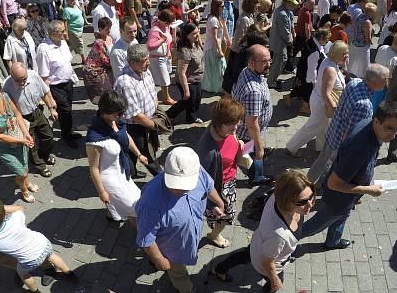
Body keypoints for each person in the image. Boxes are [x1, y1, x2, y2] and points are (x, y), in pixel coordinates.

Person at [301, 102, 397, 250]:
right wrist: (368, 190)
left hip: (348, 197)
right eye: (389, 128)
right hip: (338, 200)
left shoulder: (367, 123)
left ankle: (333, 241)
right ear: (377, 121)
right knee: (315, 226)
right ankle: (286, 244)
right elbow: (333, 184)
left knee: (343, 216)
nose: (394, 134)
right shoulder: (360, 149)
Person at [135, 147, 225, 293]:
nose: (182, 189)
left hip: (189, 240)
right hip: (170, 250)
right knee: (179, 275)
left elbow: (208, 187)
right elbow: (146, 238)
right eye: (176, 183)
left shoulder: (196, 169)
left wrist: (217, 203)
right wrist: (159, 259)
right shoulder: (149, 202)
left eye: (187, 184)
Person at [211, 170, 316, 291]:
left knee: (244, 256)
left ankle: (219, 269)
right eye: (302, 201)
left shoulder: (277, 196)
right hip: (267, 258)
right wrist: (274, 279)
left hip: (258, 242)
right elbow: (267, 261)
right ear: (287, 199)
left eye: (311, 196)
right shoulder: (280, 235)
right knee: (274, 286)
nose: (310, 205)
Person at [0, 196, 78, 291]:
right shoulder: (16, 218)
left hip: (29, 260)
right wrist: (2, 209)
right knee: (54, 257)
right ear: (3, 213)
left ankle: (34, 291)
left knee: (24, 274)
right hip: (43, 243)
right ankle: (70, 274)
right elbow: (20, 208)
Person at [307, 64, 389, 185]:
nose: (386, 82)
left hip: (333, 131)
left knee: (321, 161)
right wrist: (344, 152)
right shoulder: (364, 105)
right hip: (339, 142)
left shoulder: (355, 82)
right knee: (329, 167)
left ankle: (307, 181)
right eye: (384, 79)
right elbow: (350, 131)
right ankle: (318, 187)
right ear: (373, 82)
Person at [0, 72, 38, 203]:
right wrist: (23, 140)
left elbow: (18, 115)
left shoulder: (4, 97)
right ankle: (24, 190)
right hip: (3, 146)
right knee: (20, 171)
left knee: (25, 166)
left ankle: (25, 181)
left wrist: (26, 134)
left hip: (17, 135)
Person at [86, 91, 146, 224]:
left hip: (123, 173)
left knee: (138, 200)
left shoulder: (117, 122)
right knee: (134, 209)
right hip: (110, 180)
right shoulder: (94, 137)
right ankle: (144, 238)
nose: (121, 116)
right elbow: (94, 168)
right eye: (117, 113)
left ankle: (111, 214)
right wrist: (102, 192)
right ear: (105, 111)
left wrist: (139, 154)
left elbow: (125, 136)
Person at [285, 41, 349, 157]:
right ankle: (291, 147)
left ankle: (321, 148)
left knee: (323, 126)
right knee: (313, 127)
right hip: (322, 104)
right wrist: (334, 108)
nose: (347, 56)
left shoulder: (329, 62)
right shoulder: (331, 70)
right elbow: (326, 93)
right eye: (344, 53)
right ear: (337, 53)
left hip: (319, 100)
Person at [198, 98, 246, 248]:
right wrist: (217, 202)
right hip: (219, 189)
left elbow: (232, 141)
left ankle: (214, 232)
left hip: (229, 181)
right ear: (219, 123)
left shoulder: (224, 130)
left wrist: (240, 145)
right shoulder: (207, 150)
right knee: (225, 217)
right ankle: (214, 235)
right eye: (231, 123)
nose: (236, 126)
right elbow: (203, 181)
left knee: (226, 215)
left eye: (237, 121)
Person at [113, 44, 163, 178]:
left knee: (131, 153)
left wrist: (155, 114)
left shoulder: (145, 72)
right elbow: (135, 116)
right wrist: (154, 125)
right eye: (144, 61)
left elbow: (153, 94)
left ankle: (130, 173)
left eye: (148, 59)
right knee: (147, 154)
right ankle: (162, 180)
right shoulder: (125, 82)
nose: (148, 63)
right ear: (132, 63)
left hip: (147, 122)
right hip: (134, 127)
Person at [3, 62, 58, 178]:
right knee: (30, 144)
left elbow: (45, 91)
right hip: (22, 118)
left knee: (48, 136)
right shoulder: (6, 86)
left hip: (36, 112)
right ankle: (40, 165)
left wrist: (51, 108)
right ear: (11, 75)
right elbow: (7, 108)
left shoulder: (33, 75)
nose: (21, 83)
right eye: (17, 80)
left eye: (23, 79)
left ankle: (44, 155)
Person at [35, 20, 81, 149]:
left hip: (68, 83)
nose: (65, 33)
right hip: (56, 86)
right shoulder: (44, 50)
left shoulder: (62, 43)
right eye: (62, 31)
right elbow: (43, 77)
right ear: (53, 33)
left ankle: (68, 131)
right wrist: (49, 99)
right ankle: (66, 136)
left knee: (68, 110)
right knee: (65, 111)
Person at [232, 44, 273, 186]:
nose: (268, 65)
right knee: (256, 155)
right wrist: (259, 146)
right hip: (249, 134)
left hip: (250, 131)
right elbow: (252, 123)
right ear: (251, 62)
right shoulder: (253, 92)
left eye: (269, 60)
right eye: (264, 62)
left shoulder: (247, 71)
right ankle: (256, 178)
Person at [284, 27, 330, 116]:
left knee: (301, 87)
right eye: (326, 39)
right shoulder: (315, 51)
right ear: (321, 38)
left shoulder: (312, 41)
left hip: (303, 69)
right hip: (308, 73)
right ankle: (304, 107)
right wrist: (314, 82)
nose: (327, 41)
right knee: (308, 90)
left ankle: (288, 97)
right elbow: (312, 68)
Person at [166, 23, 205, 125]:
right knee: (187, 100)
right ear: (186, 35)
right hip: (188, 81)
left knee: (196, 99)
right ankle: (169, 115)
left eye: (198, 32)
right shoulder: (185, 51)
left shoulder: (195, 43)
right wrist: (186, 90)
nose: (197, 35)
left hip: (197, 78)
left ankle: (191, 117)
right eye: (194, 33)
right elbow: (181, 73)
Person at [223, 0, 258, 95]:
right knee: (234, 75)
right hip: (238, 52)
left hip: (241, 51)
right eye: (256, 4)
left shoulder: (249, 16)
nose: (258, 7)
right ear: (251, 4)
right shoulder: (244, 19)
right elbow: (239, 39)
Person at [268, 0, 300, 90]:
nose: (294, 6)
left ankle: (272, 79)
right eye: (292, 4)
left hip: (279, 42)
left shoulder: (282, 11)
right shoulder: (282, 14)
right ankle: (271, 82)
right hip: (279, 43)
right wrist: (291, 41)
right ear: (287, 3)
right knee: (279, 62)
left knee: (280, 61)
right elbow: (285, 32)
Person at [82, 16, 115, 104]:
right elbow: (105, 60)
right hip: (96, 70)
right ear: (100, 29)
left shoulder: (109, 38)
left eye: (109, 28)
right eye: (106, 29)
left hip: (106, 67)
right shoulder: (99, 42)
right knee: (103, 93)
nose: (109, 31)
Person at [146, 9, 176, 105]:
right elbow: (150, 46)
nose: (169, 25)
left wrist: (168, 51)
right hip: (157, 58)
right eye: (168, 23)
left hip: (164, 56)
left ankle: (163, 97)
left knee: (164, 77)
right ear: (164, 21)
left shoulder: (164, 26)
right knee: (164, 79)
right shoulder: (155, 30)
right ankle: (166, 98)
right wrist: (162, 40)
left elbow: (168, 39)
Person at [203, 0, 228, 93]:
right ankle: (218, 87)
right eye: (222, 6)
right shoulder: (213, 20)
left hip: (214, 46)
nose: (223, 8)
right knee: (219, 68)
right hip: (212, 48)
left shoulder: (217, 18)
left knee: (216, 69)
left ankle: (215, 87)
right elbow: (214, 37)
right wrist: (219, 50)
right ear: (216, 7)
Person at [348, 3, 377, 78]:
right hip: (362, 47)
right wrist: (372, 41)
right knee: (364, 69)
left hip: (354, 44)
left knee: (352, 65)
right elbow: (368, 39)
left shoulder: (359, 16)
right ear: (372, 13)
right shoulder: (368, 22)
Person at [62, 0, 86, 64]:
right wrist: (66, 34)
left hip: (80, 30)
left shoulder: (76, 5)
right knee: (79, 43)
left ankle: (64, 57)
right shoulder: (66, 10)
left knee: (72, 45)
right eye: (71, 0)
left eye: (74, 0)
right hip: (73, 30)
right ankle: (84, 59)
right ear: (67, 1)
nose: (73, 2)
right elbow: (65, 23)